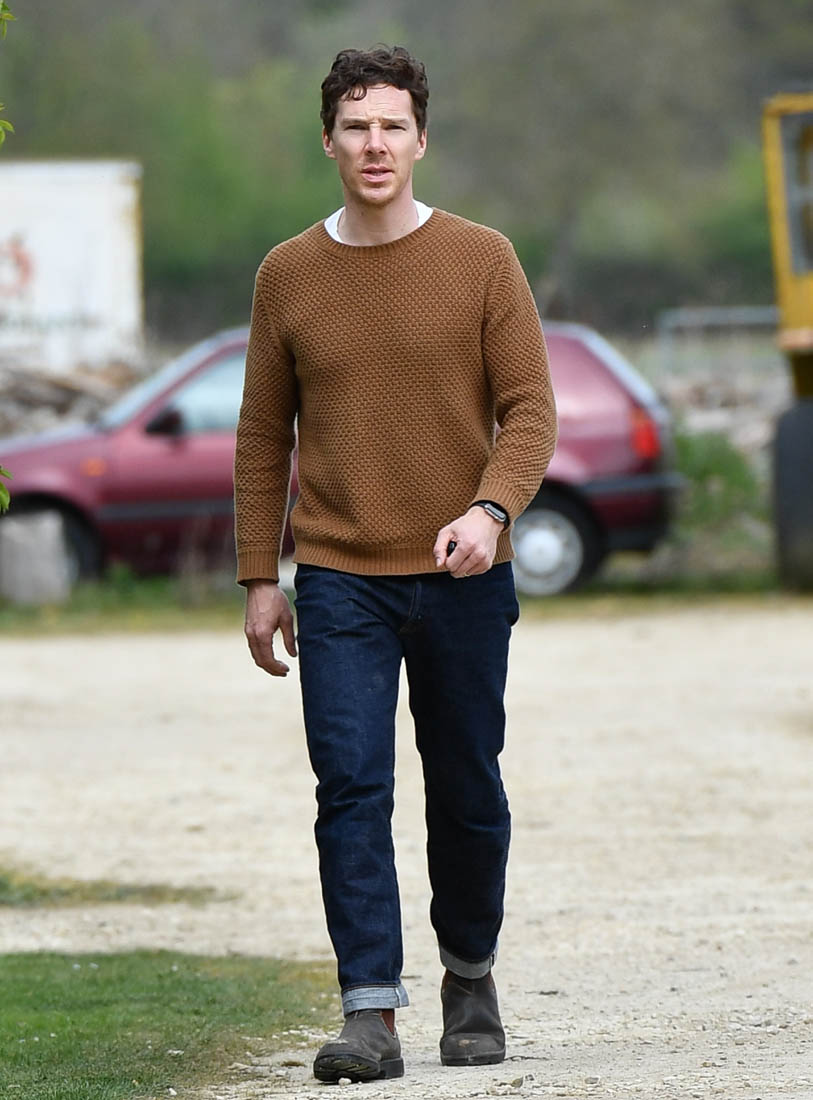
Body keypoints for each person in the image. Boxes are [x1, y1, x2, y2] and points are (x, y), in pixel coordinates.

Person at [234, 44, 557, 1083]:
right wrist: (259, 576)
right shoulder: (287, 273)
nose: (374, 145)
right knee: (349, 785)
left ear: (421, 140)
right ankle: (368, 1010)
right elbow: (262, 435)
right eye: (355, 127)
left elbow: (530, 410)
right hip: (338, 575)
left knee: (466, 785)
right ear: (328, 141)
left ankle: (470, 975)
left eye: (391, 127)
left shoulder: (482, 259)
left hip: (464, 572)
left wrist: (490, 510)